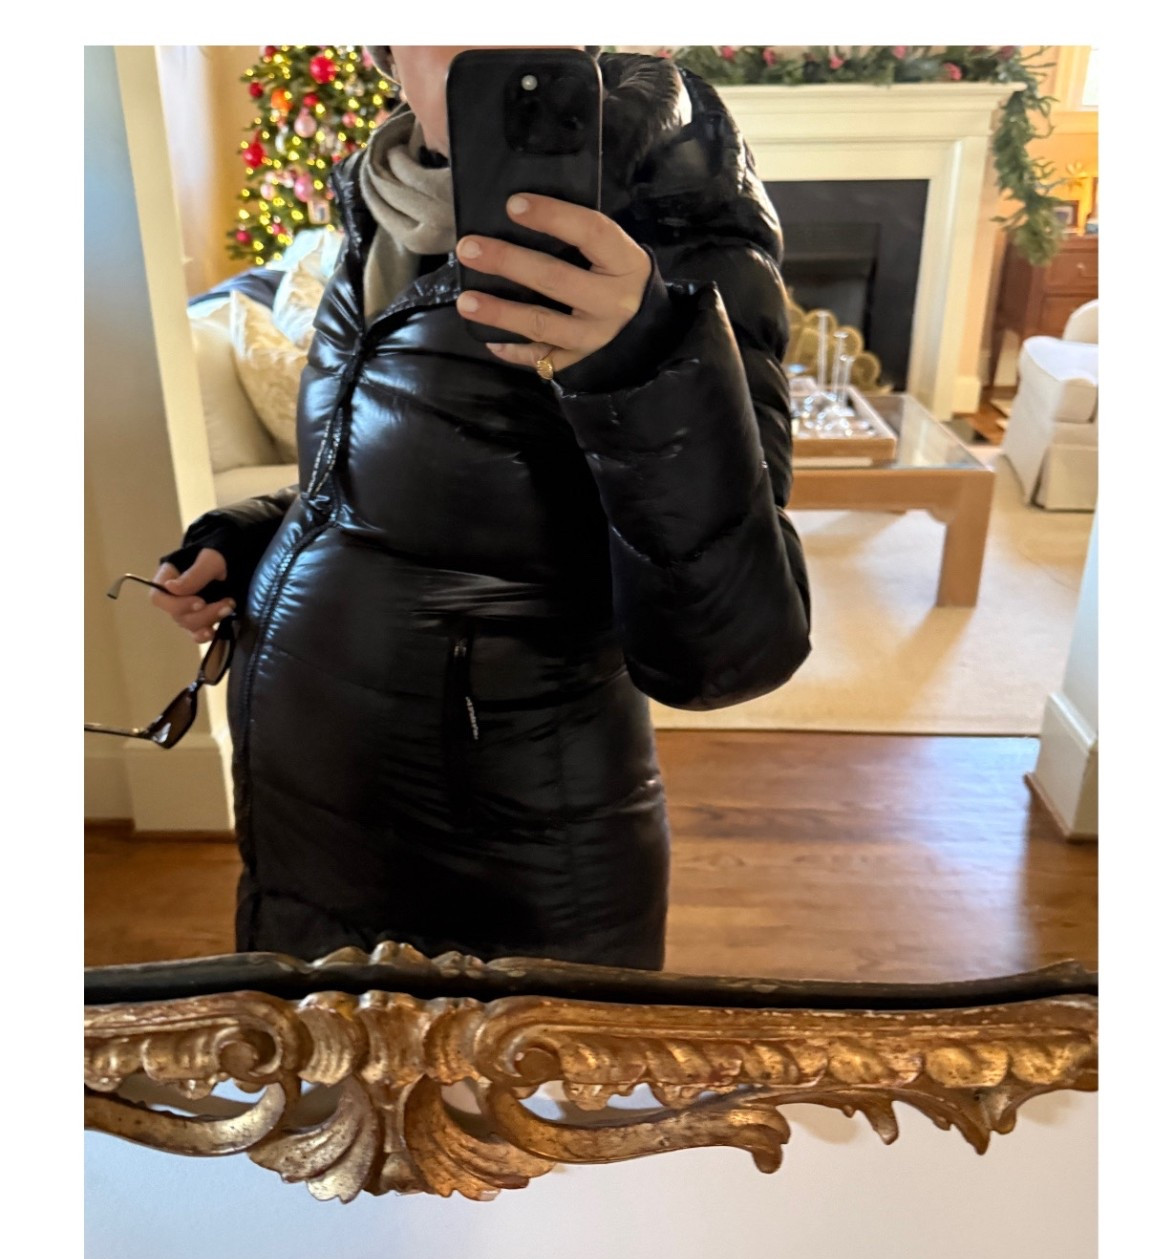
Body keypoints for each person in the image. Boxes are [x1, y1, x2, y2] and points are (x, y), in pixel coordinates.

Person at [151, 45, 812, 970]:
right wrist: (258, 539)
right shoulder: (385, 204)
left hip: (507, 868)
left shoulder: (669, 216)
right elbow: (387, 480)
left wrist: (642, 359)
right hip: (312, 825)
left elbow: (728, 652)